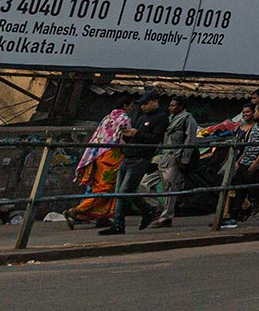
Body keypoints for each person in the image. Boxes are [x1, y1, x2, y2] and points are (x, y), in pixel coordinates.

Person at [100, 89, 167, 235]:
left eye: (145, 103)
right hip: (129, 156)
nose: (143, 106)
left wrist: (137, 134)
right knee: (119, 193)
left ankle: (148, 209)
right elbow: (134, 136)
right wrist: (127, 135)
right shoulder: (141, 118)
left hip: (141, 158)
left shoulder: (161, 118)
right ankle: (119, 224)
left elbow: (154, 139)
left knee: (125, 192)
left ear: (155, 102)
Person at [70, 104, 132, 226]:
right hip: (112, 157)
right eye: (130, 106)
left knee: (96, 187)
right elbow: (124, 138)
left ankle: (99, 217)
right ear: (126, 106)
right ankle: (76, 211)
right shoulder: (124, 119)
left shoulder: (107, 118)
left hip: (97, 154)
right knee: (106, 188)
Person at [142, 95, 199, 228]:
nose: (170, 107)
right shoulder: (168, 119)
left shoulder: (187, 119)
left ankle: (166, 217)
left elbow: (190, 140)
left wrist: (184, 160)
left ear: (180, 107)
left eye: (173, 105)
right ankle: (157, 209)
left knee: (170, 187)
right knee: (146, 183)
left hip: (175, 157)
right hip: (163, 156)